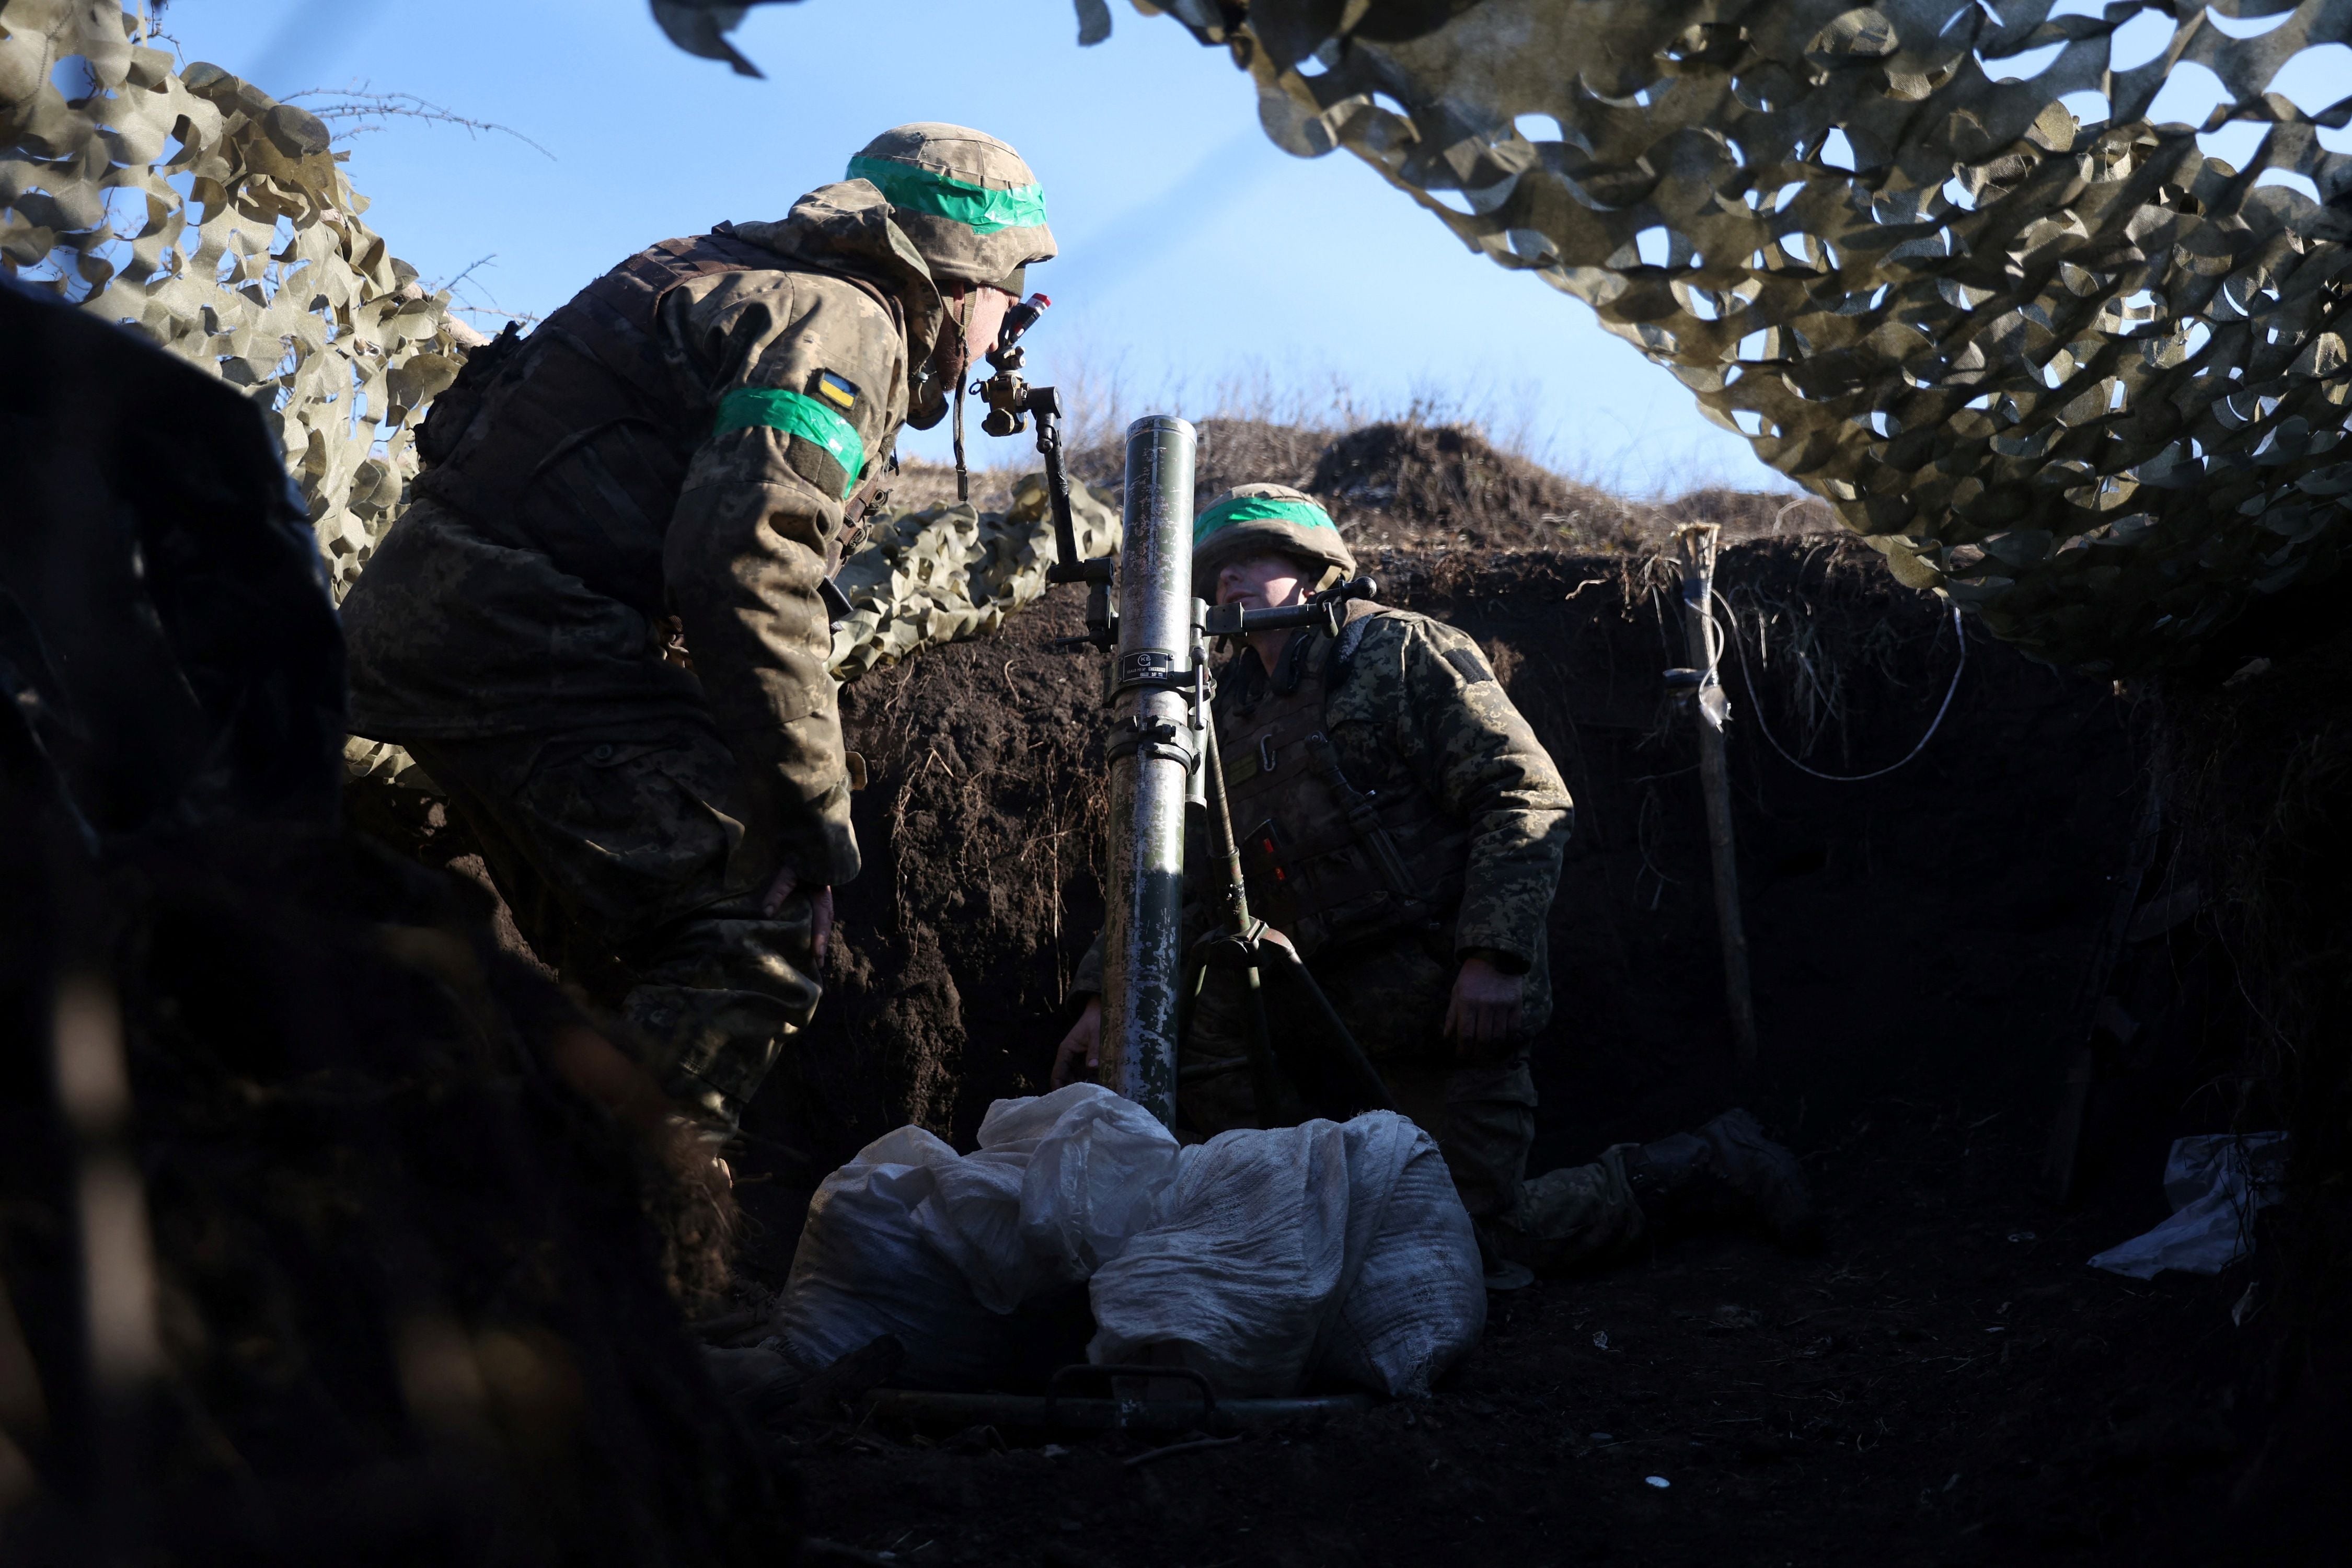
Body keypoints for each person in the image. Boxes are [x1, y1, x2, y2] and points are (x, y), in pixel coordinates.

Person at [341, 124, 1056, 1132]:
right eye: (1010, 291)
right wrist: (811, 823)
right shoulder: (843, 325)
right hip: (525, 648)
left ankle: (498, 1183)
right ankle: (625, 1237)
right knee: (748, 940)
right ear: (967, 273)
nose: (1008, 322)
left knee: (618, 960)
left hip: (441, 628)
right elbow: (748, 565)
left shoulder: (720, 268)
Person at [1053, 483, 1818, 1271]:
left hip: (1443, 1008)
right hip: (1305, 1023)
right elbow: (1170, 870)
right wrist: (1103, 998)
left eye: (1253, 561)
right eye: (1216, 573)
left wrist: (1494, 958)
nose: (1230, 583)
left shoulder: (1399, 651)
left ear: (1314, 571)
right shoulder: (1218, 710)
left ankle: (1703, 1165)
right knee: (1253, 1209)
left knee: (1471, 1240)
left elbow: (1521, 795)